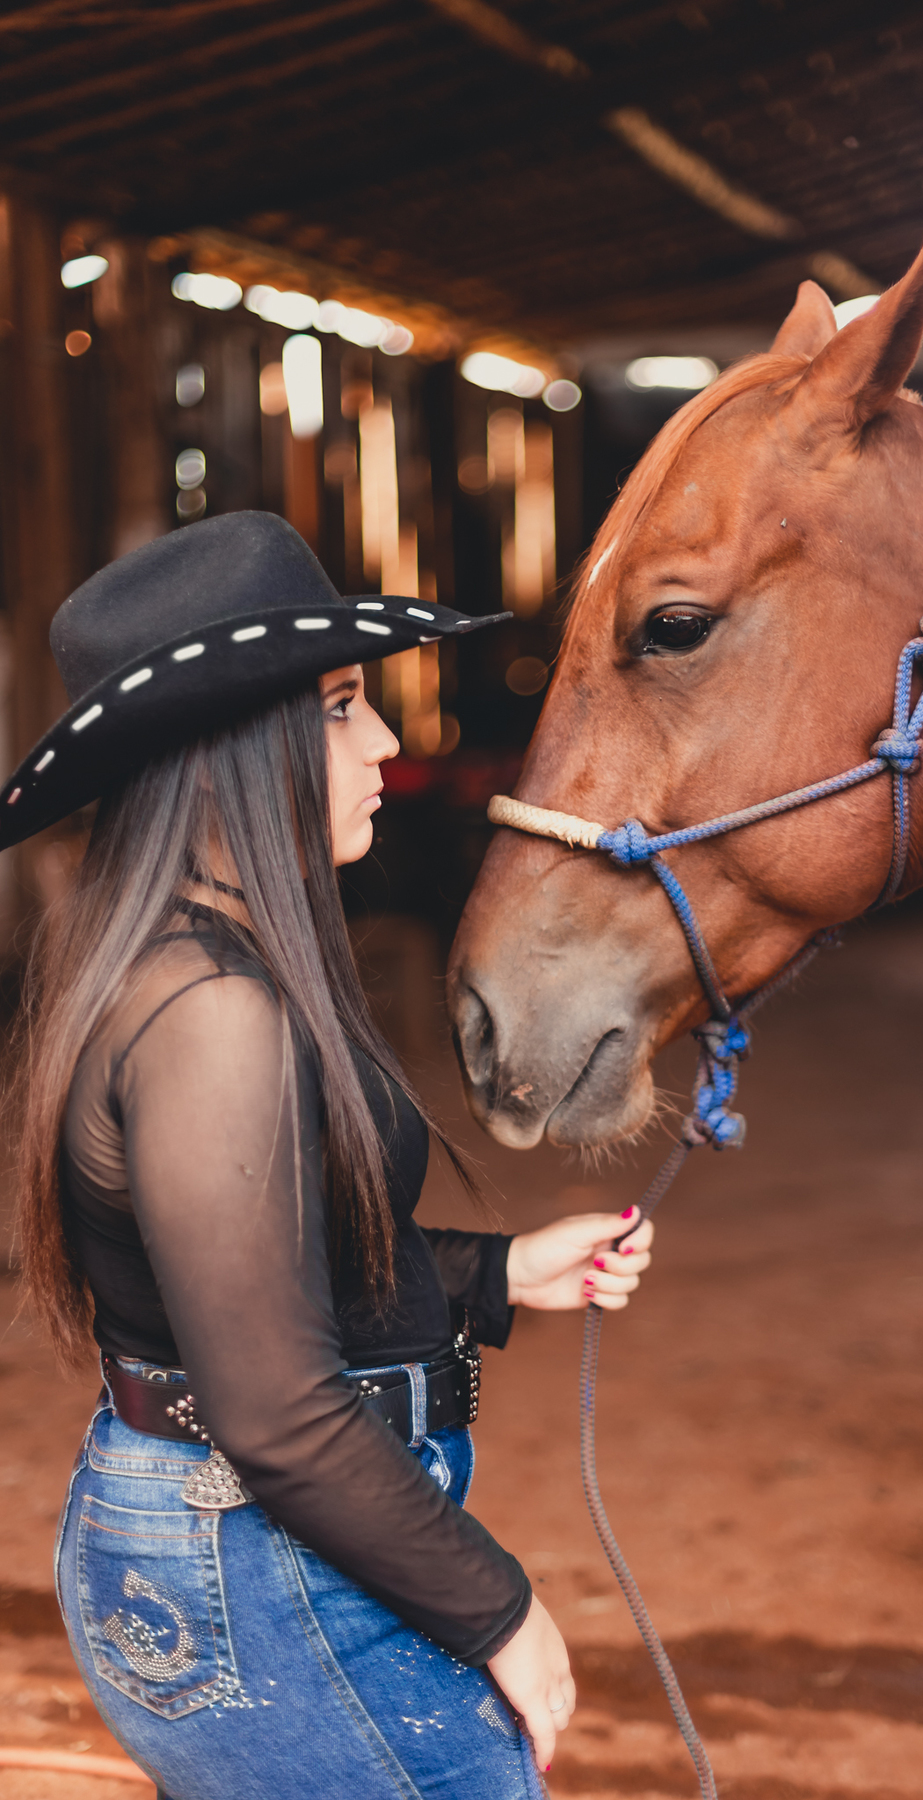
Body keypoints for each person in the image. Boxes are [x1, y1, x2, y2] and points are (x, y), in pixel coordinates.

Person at [7, 513, 654, 1800]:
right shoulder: (214, 1014)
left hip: (222, 1537)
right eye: (346, 707)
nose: (385, 743)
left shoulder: (187, 969)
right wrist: (501, 1614)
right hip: (255, 1551)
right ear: (230, 753)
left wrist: (494, 1272)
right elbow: (280, 1413)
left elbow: (251, 1272)